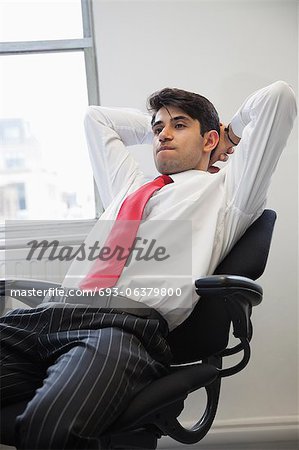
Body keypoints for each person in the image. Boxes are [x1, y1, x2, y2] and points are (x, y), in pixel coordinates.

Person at [0, 81, 296, 449]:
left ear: (209, 142)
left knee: (50, 427)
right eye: (158, 129)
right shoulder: (128, 188)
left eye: (179, 125)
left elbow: (278, 98)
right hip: (44, 318)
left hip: (120, 330)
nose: (163, 135)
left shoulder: (230, 193)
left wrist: (227, 131)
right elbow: (97, 120)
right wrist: (165, 122)